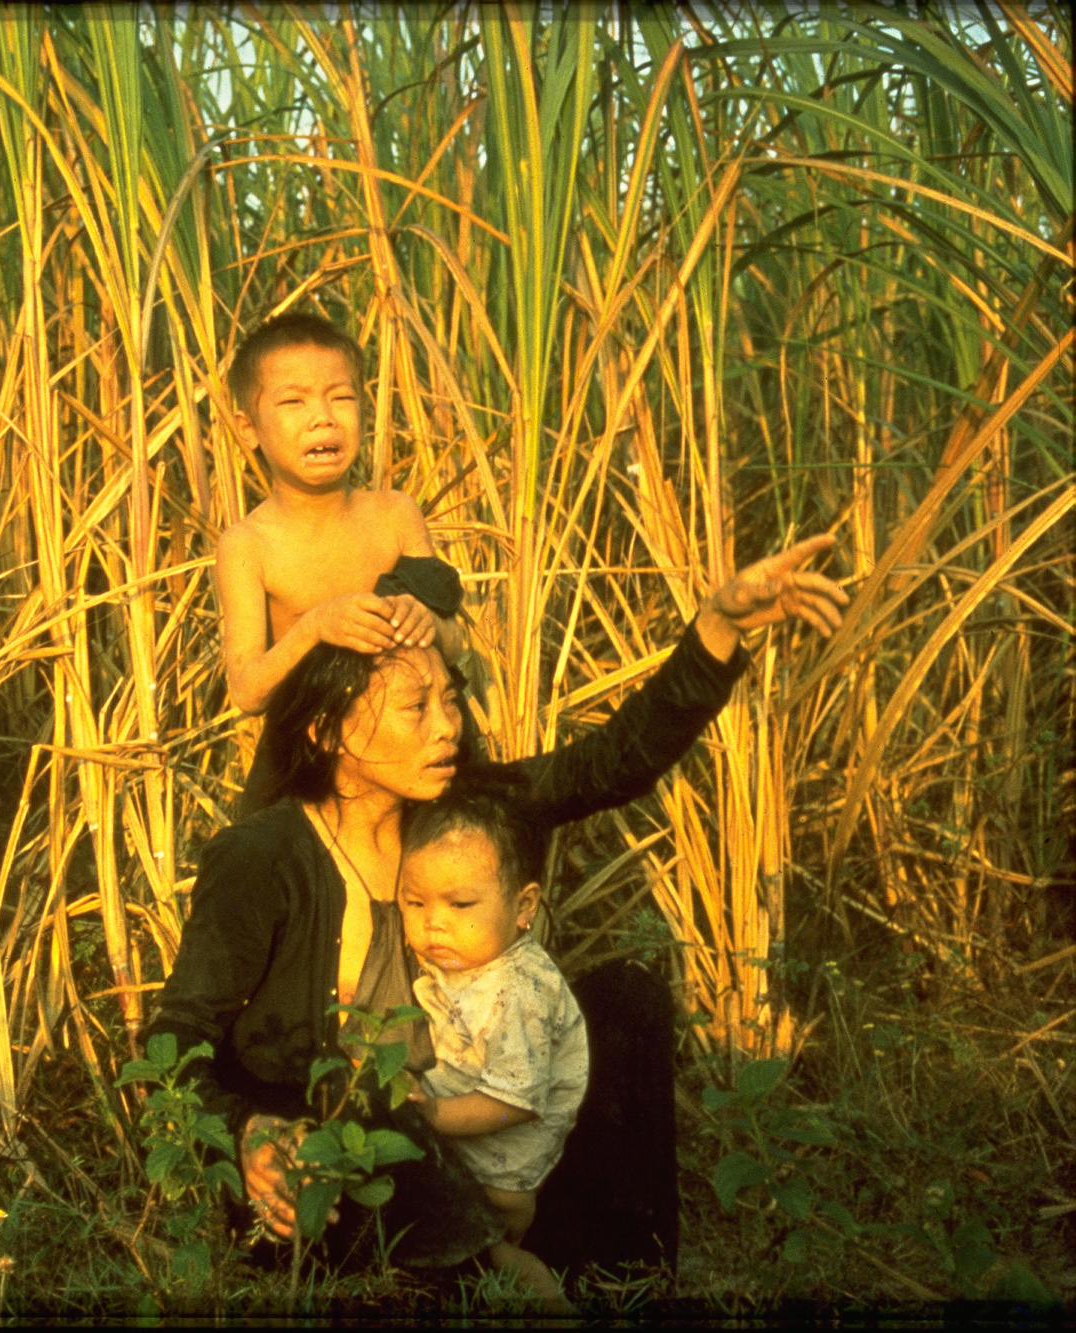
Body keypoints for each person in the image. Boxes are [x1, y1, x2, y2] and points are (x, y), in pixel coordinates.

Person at [146, 535, 848, 1289]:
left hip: (481, 1151)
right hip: (349, 1175)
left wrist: (718, 624)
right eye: (416, 707)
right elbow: (170, 1047)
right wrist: (249, 1133)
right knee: (369, 1093)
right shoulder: (263, 857)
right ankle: (499, 1273)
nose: (447, 725)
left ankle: (626, 1277)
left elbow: (613, 761)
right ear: (328, 731)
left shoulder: (463, 815)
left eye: (449, 698)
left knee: (628, 996)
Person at [214, 312, 467, 817]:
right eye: (293, 402)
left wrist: (430, 624)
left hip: (410, 751)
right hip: (309, 763)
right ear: (249, 429)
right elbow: (246, 691)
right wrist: (315, 628)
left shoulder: (395, 514)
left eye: (341, 397)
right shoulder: (249, 544)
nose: (323, 417)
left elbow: (457, 645)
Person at [397, 779, 586, 1309]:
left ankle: (534, 1287)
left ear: (524, 905)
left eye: (460, 904)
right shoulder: (459, 953)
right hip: (461, 1125)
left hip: (506, 1156)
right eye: (415, 902)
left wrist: (431, 1114)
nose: (434, 923)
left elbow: (515, 1103)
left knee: (501, 1232)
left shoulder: (519, 993)